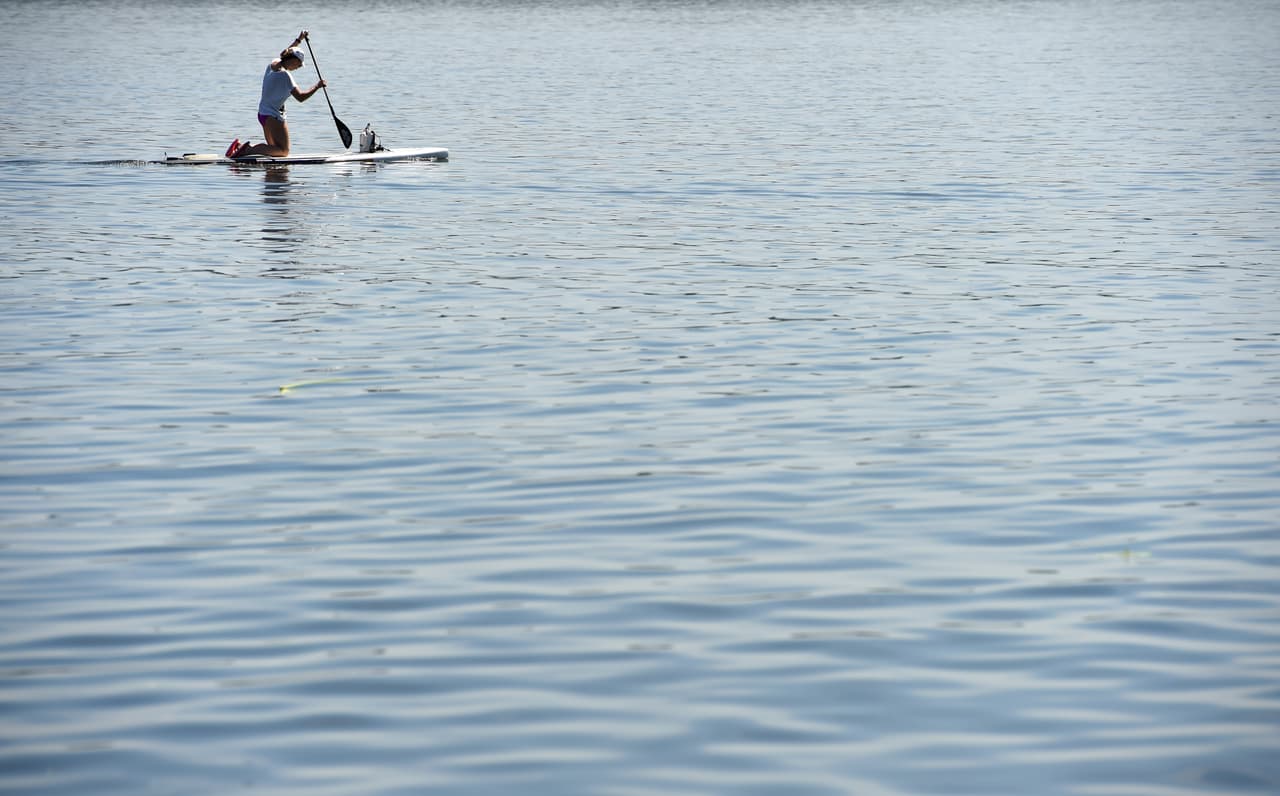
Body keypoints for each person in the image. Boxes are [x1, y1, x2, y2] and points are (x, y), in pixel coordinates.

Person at [227, 31, 326, 158]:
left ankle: (240, 147)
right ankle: (246, 150)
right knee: (283, 151)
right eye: (299, 64)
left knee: (273, 151)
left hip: (262, 114)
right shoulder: (285, 76)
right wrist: (317, 86)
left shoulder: (273, 63)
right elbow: (300, 97)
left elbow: (286, 53)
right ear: (293, 60)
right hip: (273, 116)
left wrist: (299, 39)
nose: (299, 67)